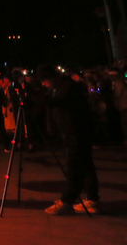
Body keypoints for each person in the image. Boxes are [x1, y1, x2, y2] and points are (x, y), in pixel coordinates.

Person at [36, 66, 101, 215]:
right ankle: (92, 199)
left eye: (45, 81)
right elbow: (48, 101)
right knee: (85, 165)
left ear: (52, 78)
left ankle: (67, 200)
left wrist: (34, 96)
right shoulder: (56, 88)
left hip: (78, 132)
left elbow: (55, 102)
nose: (43, 84)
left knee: (73, 166)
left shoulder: (69, 87)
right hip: (70, 133)